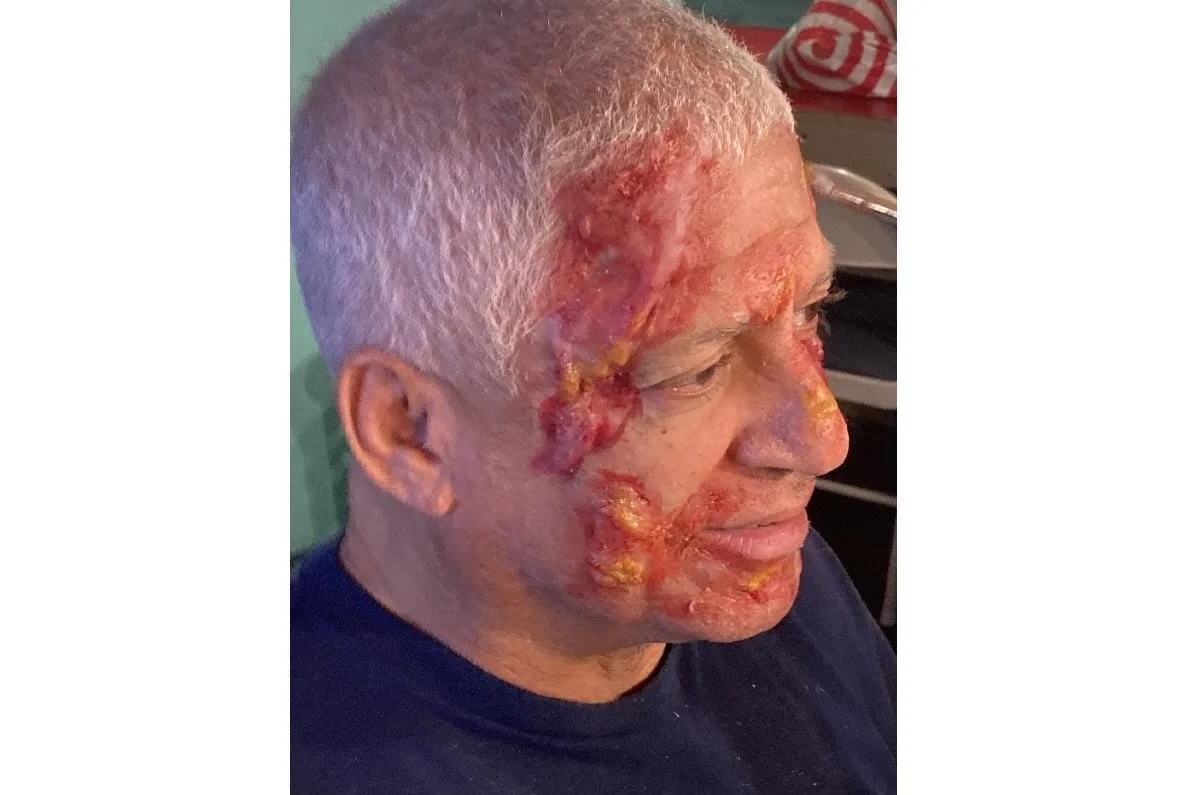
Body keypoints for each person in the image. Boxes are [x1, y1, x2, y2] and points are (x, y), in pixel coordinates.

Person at [290, 0, 896, 791]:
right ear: (409, 432)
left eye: (812, 309)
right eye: (693, 369)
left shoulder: (753, 551)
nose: (822, 439)